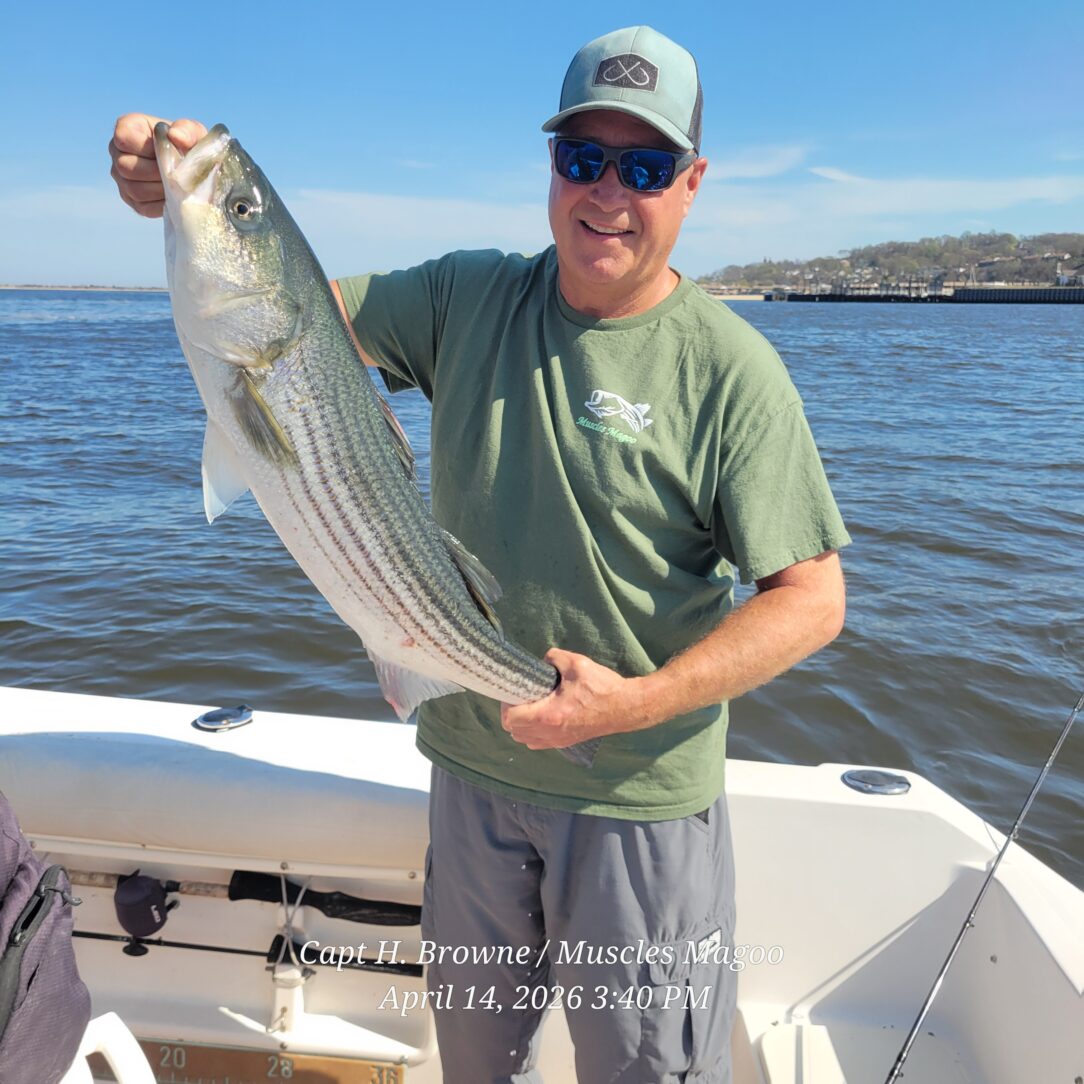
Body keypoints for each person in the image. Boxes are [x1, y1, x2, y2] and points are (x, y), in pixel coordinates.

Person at [110, 25, 849, 1084]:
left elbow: (813, 599)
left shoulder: (733, 372)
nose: (607, 192)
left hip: (636, 798)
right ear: (550, 164)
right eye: (582, 157)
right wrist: (174, 191)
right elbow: (298, 312)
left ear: (691, 183)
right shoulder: (467, 296)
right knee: (475, 1064)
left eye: (644, 167)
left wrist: (631, 704)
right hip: (469, 773)